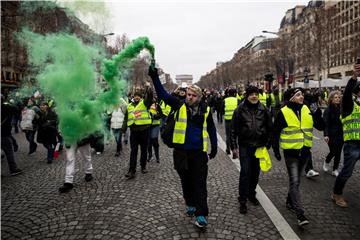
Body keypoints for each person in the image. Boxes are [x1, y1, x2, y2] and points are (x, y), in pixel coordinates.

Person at [148, 65, 217, 228]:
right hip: (181, 151)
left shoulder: (205, 110)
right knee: (186, 181)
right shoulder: (179, 105)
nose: (190, 97)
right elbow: (163, 95)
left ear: (199, 97)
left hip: (199, 152)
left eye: (193, 95)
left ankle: (201, 214)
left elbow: (212, 128)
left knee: (200, 183)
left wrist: (214, 146)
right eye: (188, 94)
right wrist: (154, 77)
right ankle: (190, 203)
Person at [272, 87, 322, 226]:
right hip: (291, 153)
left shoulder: (307, 109)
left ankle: (289, 201)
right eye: (298, 95)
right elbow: (275, 133)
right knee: (294, 181)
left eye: (302, 95)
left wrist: (317, 112)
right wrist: (276, 150)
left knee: (296, 181)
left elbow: (320, 126)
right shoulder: (283, 112)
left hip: (305, 152)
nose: (302, 97)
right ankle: (300, 214)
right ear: (291, 98)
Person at [230, 85, 272, 215]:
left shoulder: (264, 109)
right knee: (245, 173)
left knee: (255, 173)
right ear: (247, 96)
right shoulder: (239, 110)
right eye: (251, 94)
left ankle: (251, 194)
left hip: (259, 146)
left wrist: (268, 142)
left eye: (256, 94)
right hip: (245, 146)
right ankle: (242, 200)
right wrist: (234, 147)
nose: (254, 96)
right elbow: (233, 130)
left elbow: (270, 127)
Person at [331, 63, 360, 208]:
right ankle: (336, 193)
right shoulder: (349, 104)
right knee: (347, 172)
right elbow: (348, 92)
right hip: (352, 144)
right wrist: (354, 76)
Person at [121, 87, 153, 179]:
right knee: (133, 151)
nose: (136, 97)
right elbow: (126, 118)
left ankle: (143, 166)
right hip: (134, 132)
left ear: (141, 97)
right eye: (135, 96)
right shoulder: (129, 106)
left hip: (144, 130)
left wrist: (149, 90)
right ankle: (132, 170)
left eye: (138, 96)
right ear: (133, 97)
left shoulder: (145, 103)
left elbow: (149, 98)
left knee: (143, 150)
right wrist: (123, 129)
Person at [323, 90, 343, 176]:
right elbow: (326, 123)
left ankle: (335, 169)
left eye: (339, 97)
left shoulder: (342, 109)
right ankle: (326, 161)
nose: (338, 99)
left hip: (341, 134)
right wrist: (326, 135)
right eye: (335, 97)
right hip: (331, 134)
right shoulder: (328, 110)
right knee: (333, 151)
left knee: (338, 152)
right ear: (331, 99)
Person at [1, 95, 22, 176]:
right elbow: (16, 109)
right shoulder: (6, 107)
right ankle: (13, 169)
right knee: (9, 152)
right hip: (4, 134)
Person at [221, 88, 240, 158]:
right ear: (235, 94)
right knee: (236, 136)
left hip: (228, 120)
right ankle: (235, 149)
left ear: (228, 93)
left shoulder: (224, 100)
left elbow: (221, 110)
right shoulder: (237, 100)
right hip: (236, 121)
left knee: (228, 135)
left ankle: (228, 149)